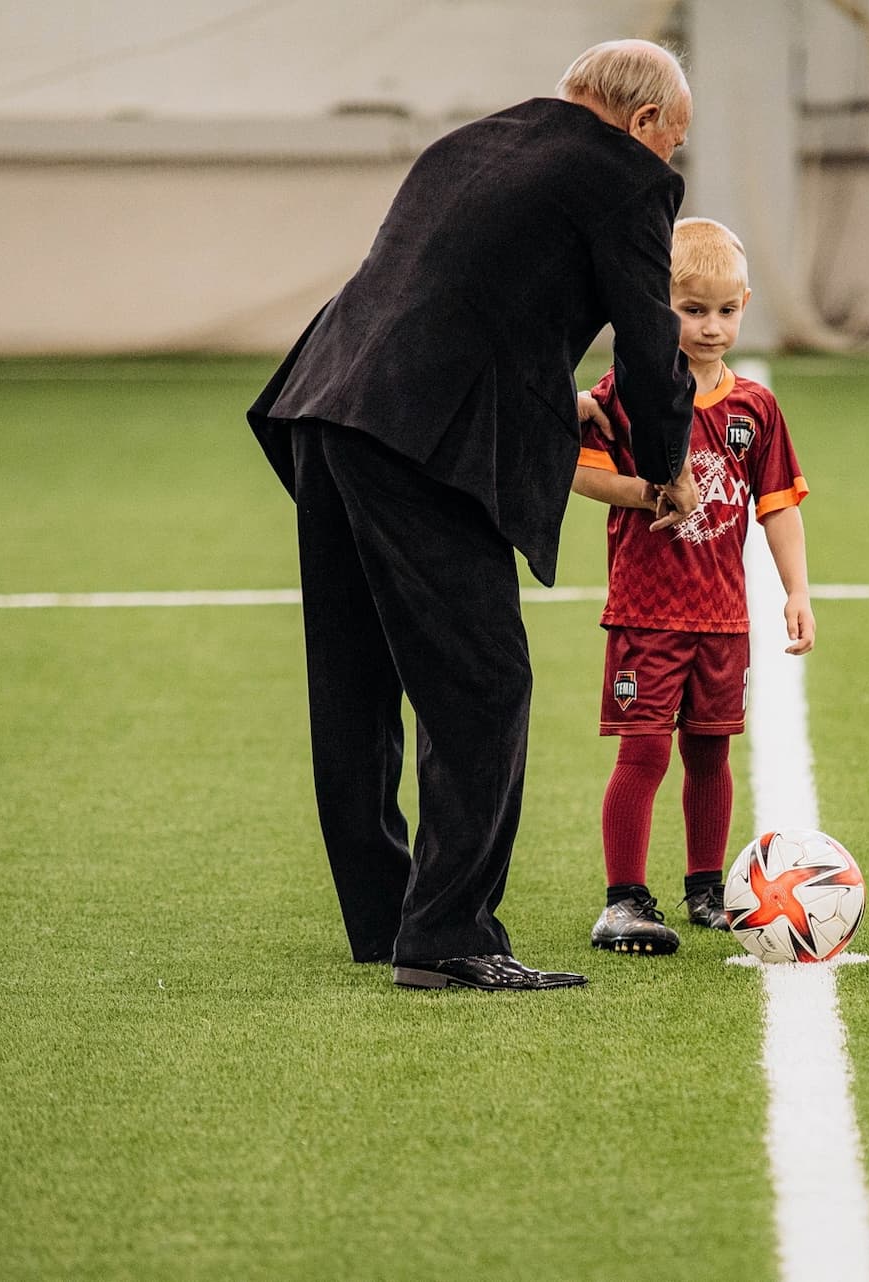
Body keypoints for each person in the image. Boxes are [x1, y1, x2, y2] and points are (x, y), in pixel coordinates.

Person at [245, 41, 702, 992]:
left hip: (325, 402)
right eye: (675, 140)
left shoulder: (471, 142)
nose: (671, 158)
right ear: (645, 121)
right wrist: (668, 469)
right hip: (416, 439)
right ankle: (449, 936)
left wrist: (554, 396)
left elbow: (452, 290)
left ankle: (388, 918)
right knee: (484, 683)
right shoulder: (627, 175)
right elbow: (651, 343)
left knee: (356, 678)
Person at [571, 217, 814, 955]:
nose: (712, 327)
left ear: (744, 306)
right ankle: (623, 900)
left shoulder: (755, 409)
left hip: (723, 618)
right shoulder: (628, 391)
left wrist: (796, 591)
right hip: (646, 614)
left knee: (710, 755)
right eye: (692, 309)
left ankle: (708, 888)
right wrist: (649, 493)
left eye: (726, 310)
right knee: (644, 754)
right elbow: (580, 471)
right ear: (659, 306)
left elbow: (778, 507)